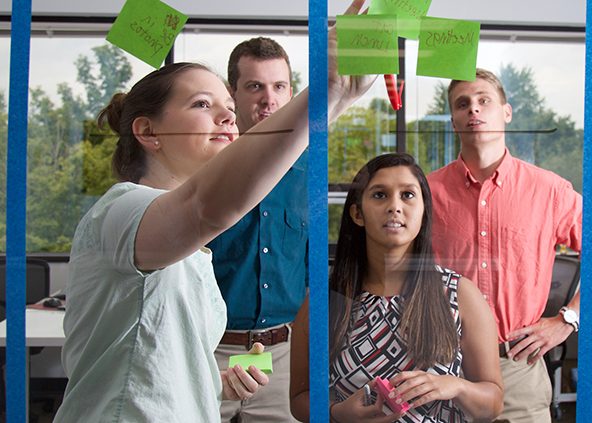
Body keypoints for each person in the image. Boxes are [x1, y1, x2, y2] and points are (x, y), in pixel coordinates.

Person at [54, 2, 375, 419]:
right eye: (203, 104)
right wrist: (326, 91)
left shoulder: (192, 252)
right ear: (148, 131)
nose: (228, 116)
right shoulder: (119, 211)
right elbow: (204, 207)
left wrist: (211, 381)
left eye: (228, 106)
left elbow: (154, 353)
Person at [428, 68, 592, 421]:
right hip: (443, 367)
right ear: (454, 120)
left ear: (506, 112)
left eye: (484, 100)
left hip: (518, 368)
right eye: (462, 104)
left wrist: (568, 319)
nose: (474, 109)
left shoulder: (548, 190)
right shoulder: (427, 192)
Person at [288, 153, 504, 423]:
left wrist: (456, 386)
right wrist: (336, 413)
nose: (395, 206)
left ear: (424, 209)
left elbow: (493, 403)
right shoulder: (324, 302)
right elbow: (299, 399)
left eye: (408, 195)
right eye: (380, 195)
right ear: (357, 214)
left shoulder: (459, 294)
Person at [209, 36, 304, 422]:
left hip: (281, 355)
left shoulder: (308, 169)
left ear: (291, 92)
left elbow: (311, 268)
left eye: (279, 86)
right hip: (208, 351)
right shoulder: (205, 166)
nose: (269, 99)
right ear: (232, 93)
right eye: (255, 86)